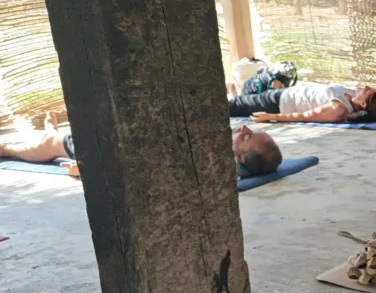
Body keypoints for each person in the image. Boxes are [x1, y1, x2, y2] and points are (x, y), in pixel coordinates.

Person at [0, 112, 281, 180]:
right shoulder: (219, 144)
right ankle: (49, 129)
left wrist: (91, 170)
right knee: (55, 135)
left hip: (103, 142)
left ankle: (7, 148)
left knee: (51, 143)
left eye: (246, 137)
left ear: (239, 159)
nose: (244, 128)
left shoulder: (206, 161)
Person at [228, 82, 376, 124]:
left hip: (278, 103)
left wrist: (271, 116)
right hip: (285, 93)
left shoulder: (338, 109)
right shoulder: (351, 96)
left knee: (231, 107)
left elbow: (304, 116)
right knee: (244, 98)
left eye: (366, 90)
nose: (363, 88)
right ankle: (235, 97)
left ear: (363, 104)